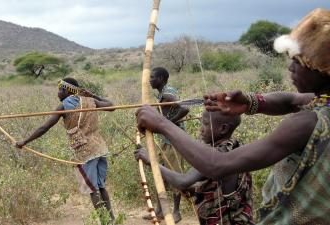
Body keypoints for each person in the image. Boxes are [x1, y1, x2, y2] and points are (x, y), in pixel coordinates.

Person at [135, 8, 330, 224]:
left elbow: (216, 165)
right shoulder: (321, 102)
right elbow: (291, 100)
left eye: (299, 62)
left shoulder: (307, 122)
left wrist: (161, 123)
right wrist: (249, 101)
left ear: (322, 69)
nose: (290, 68)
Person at [15, 77, 115, 222]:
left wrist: (24, 141)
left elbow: (44, 128)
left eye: (60, 89)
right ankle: (111, 219)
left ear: (67, 90)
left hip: (85, 152)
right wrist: (93, 96)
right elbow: (111, 106)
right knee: (101, 186)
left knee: (93, 189)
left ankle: (105, 222)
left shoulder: (63, 107)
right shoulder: (90, 101)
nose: (58, 92)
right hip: (100, 148)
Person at [135, 111, 254, 224]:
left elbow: (182, 182)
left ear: (223, 129)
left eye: (206, 124)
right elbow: (217, 187)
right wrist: (193, 190)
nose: (201, 129)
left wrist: (151, 161)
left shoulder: (218, 154)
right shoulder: (235, 147)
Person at [147, 67, 189, 223]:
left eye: (152, 77)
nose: (149, 80)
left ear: (161, 78)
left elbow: (184, 107)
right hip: (166, 141)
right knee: (162, 175)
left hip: (175, 141)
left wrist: (168, 123)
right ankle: (159, 210)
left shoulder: (167, 92)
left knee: (175, 176)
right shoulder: (161, 93)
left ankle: (176, 212)